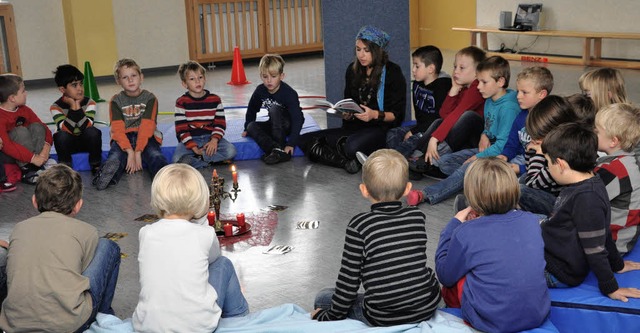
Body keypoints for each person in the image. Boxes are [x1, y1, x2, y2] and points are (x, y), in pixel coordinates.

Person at [312, 149, 441, 326]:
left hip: (383, 316)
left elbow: (348, 282)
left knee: (323, 298)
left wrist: (329, 317)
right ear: (407, 189)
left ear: (364, 190)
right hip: (426, 305)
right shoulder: (417, 216)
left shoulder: (359, 226)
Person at [0, 164, 121, 332]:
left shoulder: (19, 228)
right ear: (78, 205)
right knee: (108, 246)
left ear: (34, 201)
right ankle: (104, 316)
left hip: (14, 324)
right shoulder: (87, 231)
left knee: (3, 254)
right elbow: (82, 272)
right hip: (69, 325)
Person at [435, 158, 549, 332]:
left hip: (489, 321)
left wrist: (453, 226)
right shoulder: (532, 221)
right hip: (537, 314)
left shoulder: (465, 232)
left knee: (457, 273)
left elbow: (445, 275)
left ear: (472, 196)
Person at [133, 163, 249, 332]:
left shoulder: (146, 232)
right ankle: (240, 319)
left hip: (147, 325)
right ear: (200, 198)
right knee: (224, 264)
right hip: (197, 326)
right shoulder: (205, 234)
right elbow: (213, 260)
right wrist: (200, 223)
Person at [540, 122, 640, 302]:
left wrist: (611, 287)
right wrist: (617, 264)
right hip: (553, 247)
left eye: (548, 163)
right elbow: (604, 231)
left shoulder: (586, 199)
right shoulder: (593, 182)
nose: (548, 168)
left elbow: (595, 248)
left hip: (557, 270)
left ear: (561, 164)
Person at [407, 56, 520, 205]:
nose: (478, 87)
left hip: (502, 154)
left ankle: (426, 194)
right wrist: (484, 134)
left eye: (484, 82)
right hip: (489, 149)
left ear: (500, 82)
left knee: (467, 167)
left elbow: (503, 146)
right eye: (478, 81)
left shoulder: (509, 107)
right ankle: (480, 180)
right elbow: (488, 126)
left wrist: (476, 158)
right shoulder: (489, 99)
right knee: (445, 162)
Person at [300, 25, 406, 174]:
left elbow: (397, 115)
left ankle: (344, 154)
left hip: (379, 129)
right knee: (305, 140)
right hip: (354, 128)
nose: (361, 55)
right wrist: (345, 113)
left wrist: (374, 114)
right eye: (358, 49)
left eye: (366, 50)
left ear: (377, 51)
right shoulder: (352, 70)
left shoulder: (393, 72)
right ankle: (346, 162)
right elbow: (349, 101)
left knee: (351, 146)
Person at [408, 46, 486, 177]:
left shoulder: (476, 89)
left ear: (477, 73)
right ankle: (417, 156)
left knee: (467, 116)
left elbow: (457, 114)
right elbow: (444, 114)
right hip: (459, 138)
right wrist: (454, 89)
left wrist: (435, 139)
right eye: (455, 67)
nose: (456, 71)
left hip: (475, 140)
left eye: (462, 68)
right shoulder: (463, 86)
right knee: (439, 121)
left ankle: (429, 161)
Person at [93, 58, 168, 190]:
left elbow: (147, 127)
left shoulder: (150, 98)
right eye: (125, 77)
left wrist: (137, 151)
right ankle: (105, 177)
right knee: (115, 158)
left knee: (155, 156)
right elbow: (117, 129)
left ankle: (164, 178)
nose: (130, 80)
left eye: (133, 75)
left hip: (147, 137)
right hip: (124, 139)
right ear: (118, 81)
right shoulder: (116, 101)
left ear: (141, 77)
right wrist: (129, 151)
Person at [385, 45, 451, 158]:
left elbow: (438, 119)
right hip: (420, 126)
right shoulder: (417, 83)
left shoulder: (442, 87)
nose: (413, 70)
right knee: (393, 133)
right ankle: (405, 162)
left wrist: (415, 131)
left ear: (431, 69)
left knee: (411, 140)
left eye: (417, 66)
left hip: (433, 130)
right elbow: (419, 114)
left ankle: (390, 162)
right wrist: (415, 130)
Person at [518, 95, 578, 215]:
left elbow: (532, 182)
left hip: (563, 206)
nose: (535, 140)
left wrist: (539, 153)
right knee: (522, 179)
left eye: (539, 137)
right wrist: (533, 151)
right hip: (549, 190)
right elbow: (530, 169)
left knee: (518, 190)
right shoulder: (559, 144)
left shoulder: (562, 157)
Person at [593, 103, 640, 254]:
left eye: (597, 131)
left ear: (613, 141)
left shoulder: (613, 170)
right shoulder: (628, 161)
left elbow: (584, 198)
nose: (593, 133)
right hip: (624, 238)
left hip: (611, 245)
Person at [172, 61, 237, 168]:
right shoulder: (181, 102)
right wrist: (193, 147)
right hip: (190, 139)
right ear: (184, 84)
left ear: (205, 79)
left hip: (210, 138)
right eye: (192, 79)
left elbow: (220, 124)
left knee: (231, 151)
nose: (197, 81)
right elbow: (181, 130)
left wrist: (214, 140)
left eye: (200, 77)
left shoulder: (215, 99)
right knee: (176, 160)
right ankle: (209, 160)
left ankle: (199, 160)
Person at [242, 54, 303, 165]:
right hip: (273, 125)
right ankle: (274, 150)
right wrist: (247, 127)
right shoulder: (260, 90)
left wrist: (291, 143)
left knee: (274, 109)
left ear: (282, 76)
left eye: (273, 76)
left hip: (287, 125)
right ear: (261, 76)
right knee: (251, 126)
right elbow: (252, 108)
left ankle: (280, 146)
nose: (269, 81)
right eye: (265, 77)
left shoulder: (289, 93)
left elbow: (298, 119)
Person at [497, 66, 553, 177]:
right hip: (521, 159)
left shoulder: (549, 120)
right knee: (496, 171)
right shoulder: (521, 116)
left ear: (541, 94)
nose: (518, 96)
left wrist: (521, 169)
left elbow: (551, 161)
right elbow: (512, 144)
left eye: (524, 92)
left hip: (541, 165)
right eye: (518, 91)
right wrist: (505, 155)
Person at [0, 74, 54, 185]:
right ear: (12, 98)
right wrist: (32, 157)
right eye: (23, 91)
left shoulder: (24, 110)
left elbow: (44, 128)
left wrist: (46, 149)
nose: (26, 93)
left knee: (37, 127)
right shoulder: (1, 116)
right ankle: (27, 169)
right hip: (10, 154)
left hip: (29, 154)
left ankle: (37, 165)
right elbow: (6, 146)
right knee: (20, 131)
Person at [50, 64, 103, 175]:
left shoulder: (90, 103)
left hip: (86, 141)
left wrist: (76, 106)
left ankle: (96, 165)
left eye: (81, 84)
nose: (80, 88)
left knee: (93, 132)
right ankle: (65, 168)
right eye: (74, 85)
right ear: (62, 89)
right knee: (60, 136)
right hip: (69, 144)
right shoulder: (55, 107)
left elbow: (86, 126)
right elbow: (66, 128)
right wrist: (74, 107)